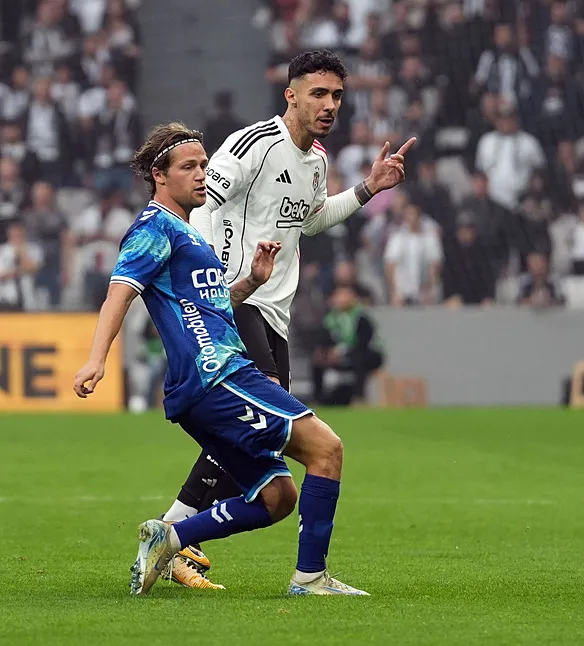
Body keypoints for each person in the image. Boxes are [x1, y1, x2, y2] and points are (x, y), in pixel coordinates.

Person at [73, 122, 369, 596]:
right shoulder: (155, 228)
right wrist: (96, 360)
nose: (201, 175)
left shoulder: (189, 237)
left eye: (204, 166)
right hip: (219, 377)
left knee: (277, 498)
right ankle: (311, 578)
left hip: (205, 388)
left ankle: (169, 537)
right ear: (159, 175)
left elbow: (212, 306)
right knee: (326, 449)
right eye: (189, 167)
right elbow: (119, 294)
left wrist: (251, 280)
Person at [166, 50, 414, 587]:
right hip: (239, 306)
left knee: (246, 440)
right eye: (319, 94)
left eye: (337, 96)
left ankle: (169, 536)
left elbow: (310, 218)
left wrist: (368, 188)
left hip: (274, 316)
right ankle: (304, 573)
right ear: (291, 95)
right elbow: (204, 202)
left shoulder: (317, 161)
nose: (329, 105)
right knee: (285, 436)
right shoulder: (254, 144)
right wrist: (213, 288)